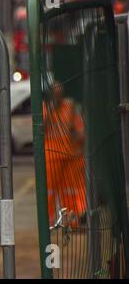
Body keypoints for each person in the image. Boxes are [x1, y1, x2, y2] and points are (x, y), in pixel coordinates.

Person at [43, 82, 87, 228]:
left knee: (70, 190)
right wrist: (51, 108)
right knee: (49, 191)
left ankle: (72, 221)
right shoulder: (43, 107)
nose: (57, 92)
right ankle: (48, 223)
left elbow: (80, 130)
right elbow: (41, 128)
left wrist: (76, 144)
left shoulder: (70, 106)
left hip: (69, 154)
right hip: (51, 155)